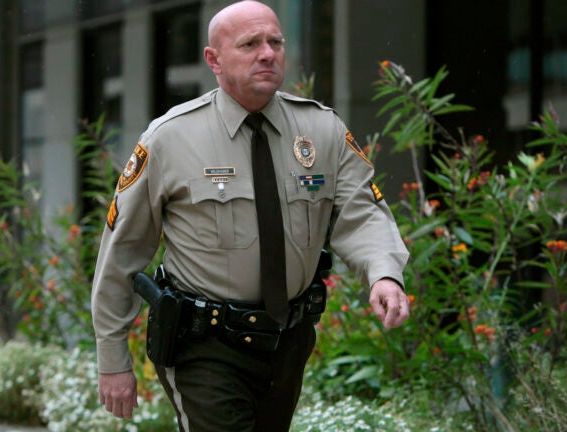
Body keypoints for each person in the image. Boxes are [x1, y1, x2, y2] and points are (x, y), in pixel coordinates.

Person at [91, 1, 410, 430]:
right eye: (250, 44)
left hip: (288, 341)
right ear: (214, 60)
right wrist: (112, 358)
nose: (267, 53)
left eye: (275, 42)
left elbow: (361, 211)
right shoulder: (170, 138)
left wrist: (383, 273)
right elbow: (123, 249)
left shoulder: (322, 130)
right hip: (204, 344)